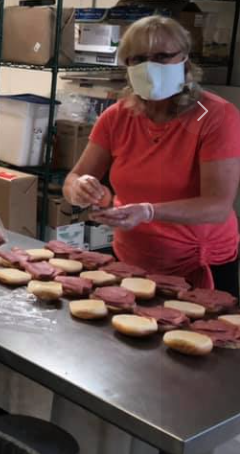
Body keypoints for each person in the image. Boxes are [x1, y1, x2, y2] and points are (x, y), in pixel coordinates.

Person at [63, 16, 240, 295]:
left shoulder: (213, 116)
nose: (149, 67)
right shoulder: (117, 116)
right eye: (138, 59)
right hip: (132, 259)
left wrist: (149, 212)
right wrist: (80, 188)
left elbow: (217, 207)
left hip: (196, 265)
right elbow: (73, 179)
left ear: (184, 60)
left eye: (161, 57)